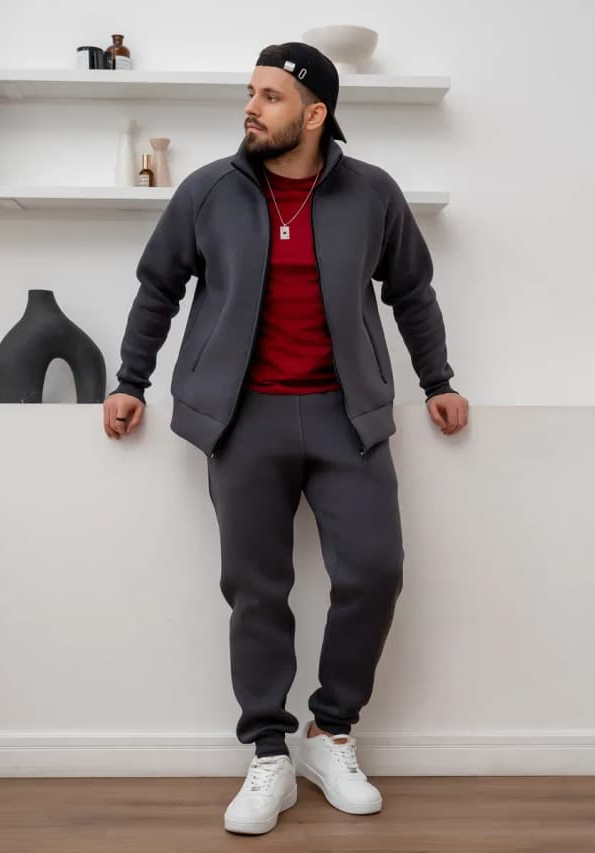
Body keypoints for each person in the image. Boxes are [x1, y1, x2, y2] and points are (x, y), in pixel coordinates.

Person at [103, 41, 469, 835]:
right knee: (256, 587)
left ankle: (329, 732)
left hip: (348, 417)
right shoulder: (208, 191)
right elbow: (158, 286)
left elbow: (412, 291)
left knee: (374, 570)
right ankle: (268, 749)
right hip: (244, 418)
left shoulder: (372, 193)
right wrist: (130, 380)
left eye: (270, 96)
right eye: (251, 91)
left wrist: (438, 381)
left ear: (314, 113)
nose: (251, 107)